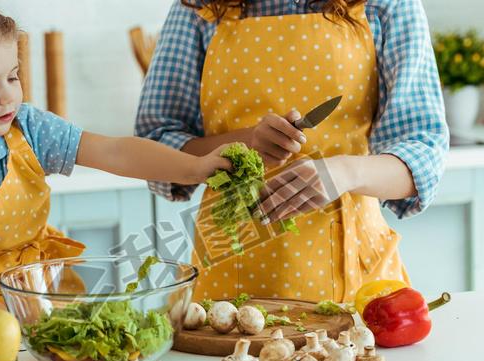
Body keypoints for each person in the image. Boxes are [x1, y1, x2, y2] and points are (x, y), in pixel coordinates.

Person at [0, 0, 232, 312]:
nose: (8, 97)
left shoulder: (29, 127)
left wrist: (194, 168)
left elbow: (114, 151)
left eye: (13, 77)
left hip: (38, 286)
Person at [135, 0, 449, 303]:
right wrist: (244, 142)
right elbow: (155, 144)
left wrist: (344, 172)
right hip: (227, 282)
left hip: (355, 281)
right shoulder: (200, 7)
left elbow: (423, 155)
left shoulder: (388, 4)